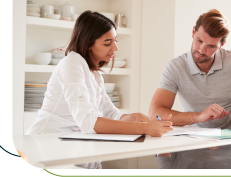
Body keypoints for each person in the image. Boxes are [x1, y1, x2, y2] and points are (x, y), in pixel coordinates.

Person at [26, 11, 173, 137]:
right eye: (107, 43)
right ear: (88, 43)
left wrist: (134, 117)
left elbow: (110, 113)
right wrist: (144, 129)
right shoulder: (71, 64)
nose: (115, 48)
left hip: (70, 142)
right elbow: (88, 121)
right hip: (46, 141)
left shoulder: (95, 74)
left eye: (115, 41)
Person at [148, 9, 231, 132]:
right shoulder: (175, 68)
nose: (201, 50)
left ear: (221, 45)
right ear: (193, 32)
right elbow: (155, 113)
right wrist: (198, 116)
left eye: (211, 46)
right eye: (199, 41)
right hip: (196, 139)